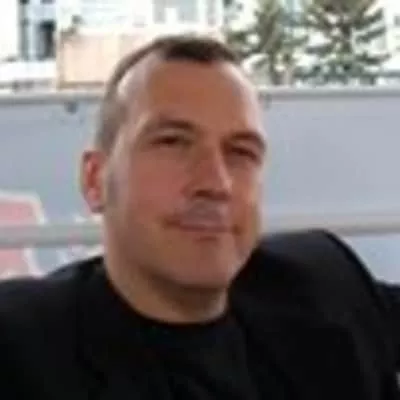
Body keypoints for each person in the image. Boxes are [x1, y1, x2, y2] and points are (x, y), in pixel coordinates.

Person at [0, 34, 399, 399]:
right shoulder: (22, 349)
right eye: (173, 142)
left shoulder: (322, 286)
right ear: (95, 180)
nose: (215, 182)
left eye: (240, 151)